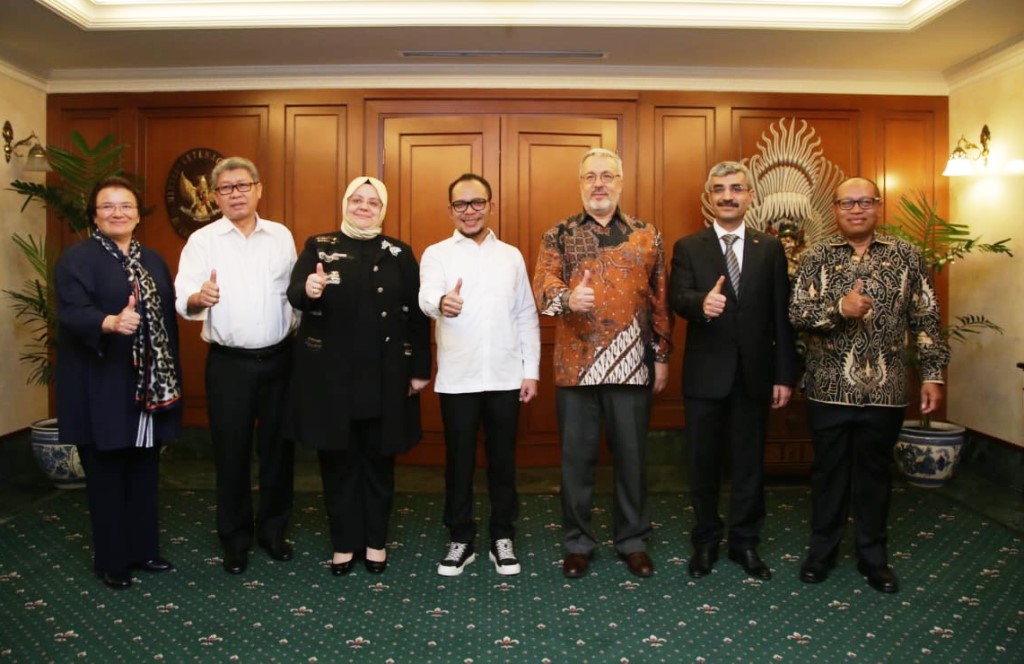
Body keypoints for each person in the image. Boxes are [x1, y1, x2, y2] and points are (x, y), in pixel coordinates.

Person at [789, 177, 950, 594]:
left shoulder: (907, 256)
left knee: (875, 475)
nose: (856, 209)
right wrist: (839, 308)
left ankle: (873, 558)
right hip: (828, 389)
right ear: (836, 208)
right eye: (847, 203)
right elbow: (797, 314)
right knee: (828, 474)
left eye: (864, 202)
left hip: (886, 390)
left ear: (878, 206)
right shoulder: (816, 256)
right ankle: (821, 553)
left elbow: (926, 318)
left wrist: (932, 374)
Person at [533, 147, 673, 579]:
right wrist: (567, 297)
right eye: (590, 176)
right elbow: (542, 285)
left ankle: (632, 541)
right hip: (576, 365)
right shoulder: (557, 234)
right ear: (580, 183)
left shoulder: (647, 234)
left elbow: (660, 299)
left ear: (621, 181)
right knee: (577, 461)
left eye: (608, 175)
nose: (599, 183)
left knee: (632, 458)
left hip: (633, 363)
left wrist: (662, 356)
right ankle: (578, 542)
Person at [286, 176, 431, 576]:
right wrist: (310, 287)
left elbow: (416, 315)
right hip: (330, 377)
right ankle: (344, 544)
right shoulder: (319, 245)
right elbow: (295, 293)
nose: (364, 207)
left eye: (372, 202)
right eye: (357, 200)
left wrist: (420, 368)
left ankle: (375, 542)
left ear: (382, 208)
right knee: (337, 462)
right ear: (345, 203)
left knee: (378, 461)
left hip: (384, 375)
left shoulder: (400, 253)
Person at [669, 161, 798, 581]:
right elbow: (677, 296)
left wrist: (784, 375)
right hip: (706, 376)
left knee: (748, 465)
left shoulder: (770, 248)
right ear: (709, 198)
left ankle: (745, 543)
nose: (728, 195)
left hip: (756, 376)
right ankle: (705, 542)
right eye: (720, 189)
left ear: (750, 197)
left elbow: (782, 315)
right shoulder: (690, 246)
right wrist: (700, 305)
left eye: (737, 188)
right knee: (703, 464)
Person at [55, 176, 183, 589]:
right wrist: (108, 322)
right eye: (107, 206)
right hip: (100, 386)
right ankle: (112, 561)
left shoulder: (154, 260)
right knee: (107, 474)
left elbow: (167, 322)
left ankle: (144, 550)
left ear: (137, 215)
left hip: (147, 388)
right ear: (94, 214)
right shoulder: (78, 259)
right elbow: (71, 312)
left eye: (125, 206)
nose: (117, 213)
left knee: (143, 471)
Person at [175, 156, 297, 575]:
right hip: (229, 365)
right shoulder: (202, 241)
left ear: (259, 188)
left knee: (278, 451)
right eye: (226, 189)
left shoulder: (281, 236)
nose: (236, 194)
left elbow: (294, 294)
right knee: (231, 452)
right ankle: (235, 538)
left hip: (281, 359)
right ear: (214, 197)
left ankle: (274, 531)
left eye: (243, 185)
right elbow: (183, 295)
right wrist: (198, 298)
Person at [419, 173, 541, 577]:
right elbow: (425, 298)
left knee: (503, 462)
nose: (469, 211)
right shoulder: (437, 254)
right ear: (450, 209)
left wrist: (531, 371)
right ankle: (460, 539)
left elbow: (526, 315)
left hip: (507, 378)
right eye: (460, 205)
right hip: (459, 379)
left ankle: (502, 536)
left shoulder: (511, 256)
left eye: (476, 203)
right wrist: (442, 302)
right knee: (459, 463)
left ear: (491, 205)